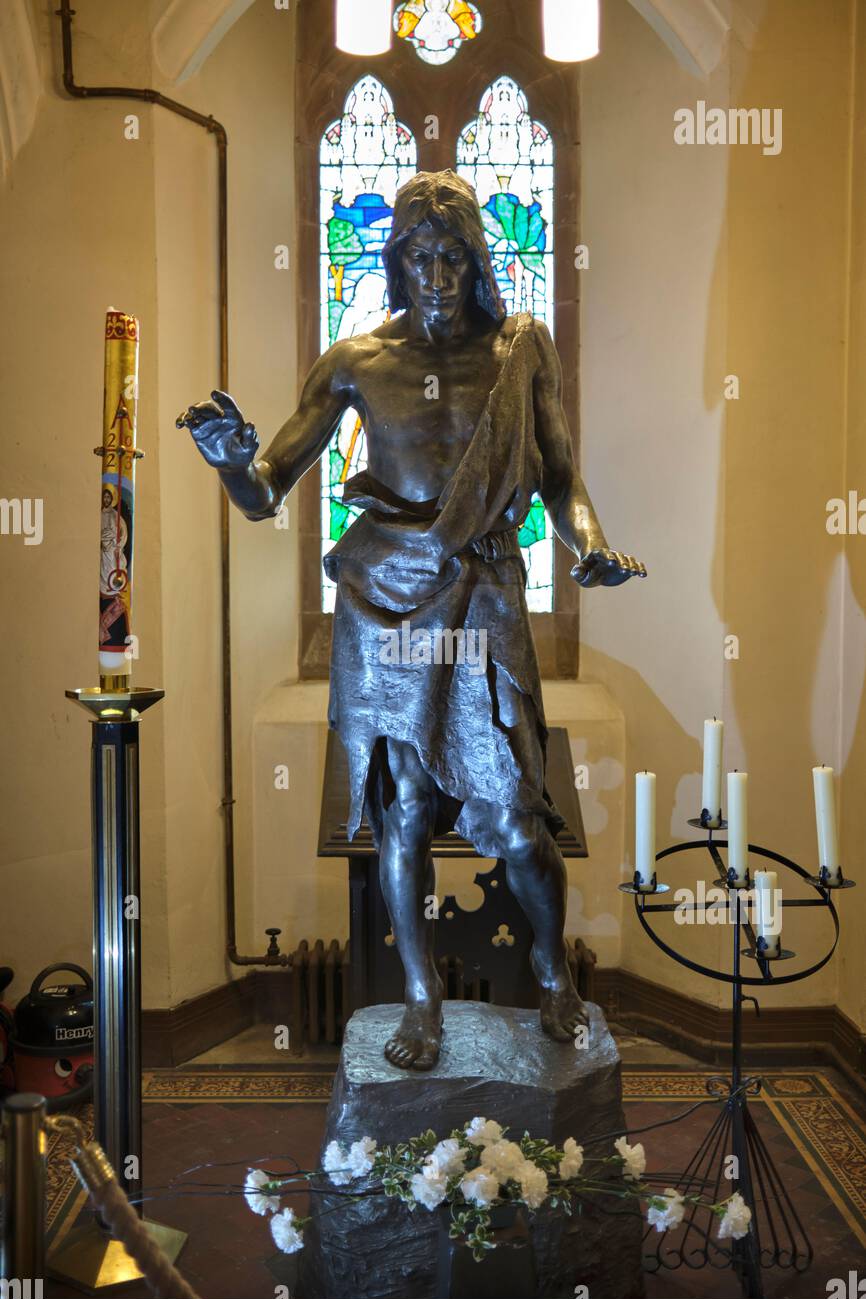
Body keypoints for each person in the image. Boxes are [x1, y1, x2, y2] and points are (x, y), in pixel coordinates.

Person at [178, 170, 646, 1070]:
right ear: (398, 261)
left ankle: (554, 972)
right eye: (420, 257)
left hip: (482, 595)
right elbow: (266, 489)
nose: (436, 275)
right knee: (401, 813)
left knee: (515, 818)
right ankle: (421, 997)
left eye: (453, 257)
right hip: (382, 601)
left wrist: (589, 543)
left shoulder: (522, 348)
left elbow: (559, 474)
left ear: (478, 260)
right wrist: (231, 461)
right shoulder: (356, 360)